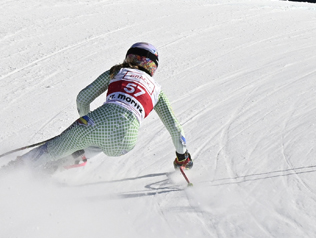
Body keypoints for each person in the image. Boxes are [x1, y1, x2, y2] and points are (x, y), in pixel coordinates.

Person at [14, 42, 192, 173]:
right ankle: (68, 160)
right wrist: (182, 157)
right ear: (152, 65)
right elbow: (176, 130)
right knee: (99, 143)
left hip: (95, 125)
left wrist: (85, 122)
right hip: (124, 143)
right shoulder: (157, 90)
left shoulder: (118, 71)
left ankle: (6, 173)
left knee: (49, 151)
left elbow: (82, 98)